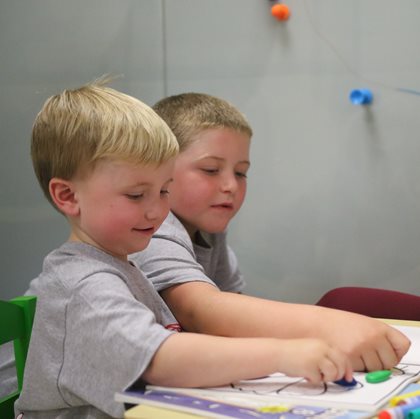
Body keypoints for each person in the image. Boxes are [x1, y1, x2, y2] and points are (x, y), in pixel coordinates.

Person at [15, 81, 353, 419]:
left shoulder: (121, 263)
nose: (157, 212)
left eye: (164, 191)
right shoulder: (83, 286)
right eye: (136, 195)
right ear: (68, 196)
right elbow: (160, 359)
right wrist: (283, 355)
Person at [130, 93, 411, 373]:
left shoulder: (208, 230)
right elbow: (202, 311)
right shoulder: (154, 229)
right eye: (211, 169)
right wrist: (327, 325)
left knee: (347, 300)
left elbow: (233, 313)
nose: (230, 185)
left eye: (241, 173)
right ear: (160, 169)